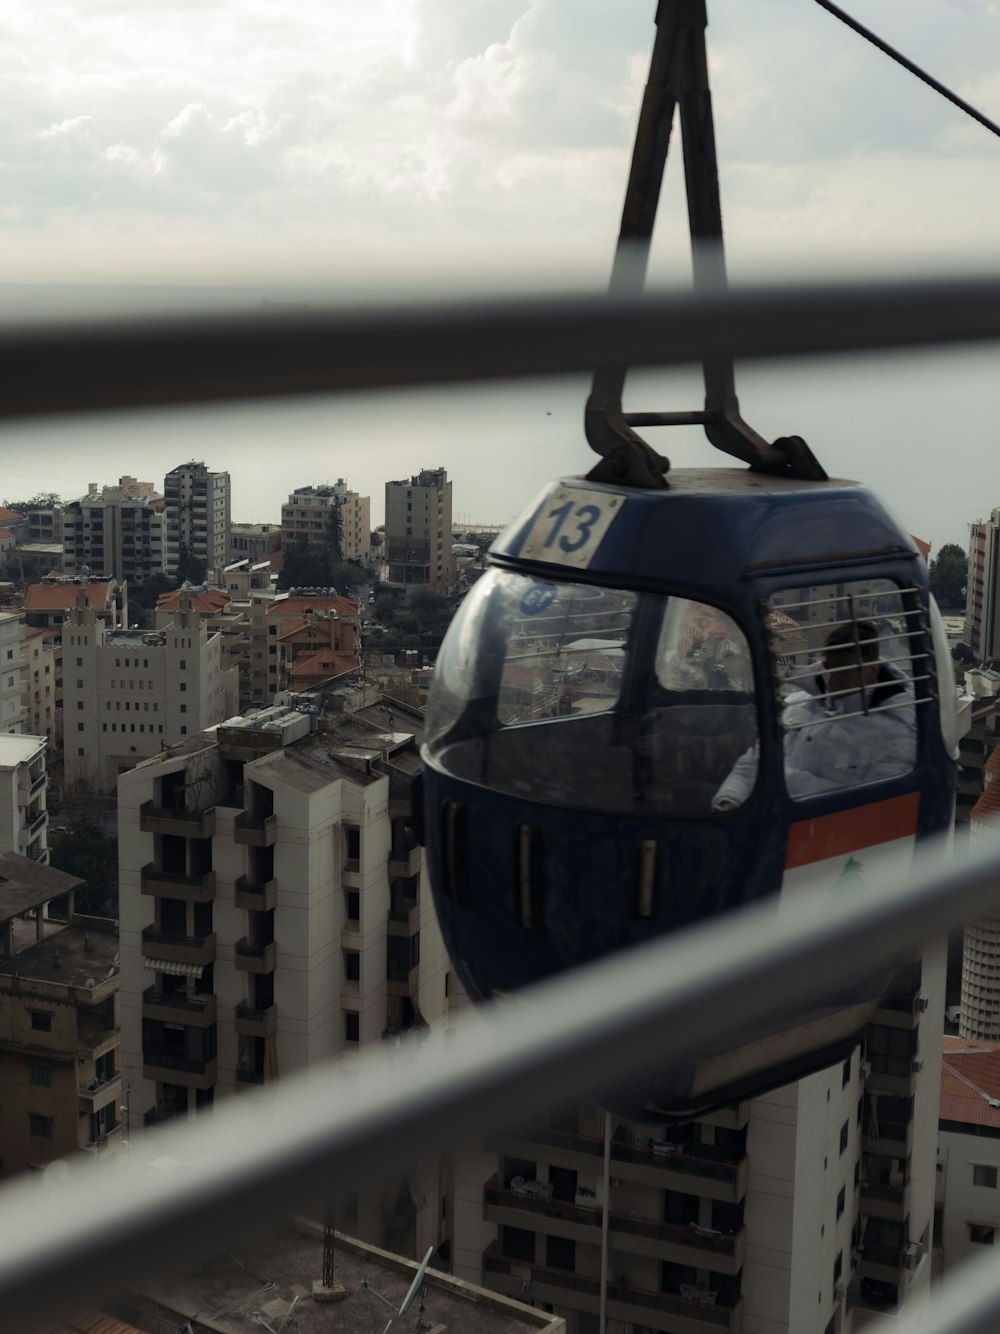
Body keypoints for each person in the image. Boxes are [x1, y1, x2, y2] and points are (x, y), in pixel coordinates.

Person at [712, 620, 916, 809]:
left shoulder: (896, 735)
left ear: (872, 671)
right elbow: (752, 764)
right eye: (828, 666)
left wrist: (782, 778)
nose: (831, 676)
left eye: (843, 668)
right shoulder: (797, 704)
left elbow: (868, 806)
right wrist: (729, 801)